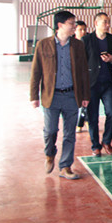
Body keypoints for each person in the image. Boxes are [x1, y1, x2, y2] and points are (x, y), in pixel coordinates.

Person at [30, 10, 90, 180]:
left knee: (70, 134)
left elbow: (83, 71)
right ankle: (50, 154)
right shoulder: (43, 45)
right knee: (50, 131)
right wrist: (34, 96)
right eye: (71, 23)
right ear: (60, 25)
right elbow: (36, 71)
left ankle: (65, 166)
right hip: (52, 96)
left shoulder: (78, 45)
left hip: (71, 95)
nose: (74, 26)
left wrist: (85, 95)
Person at [82, 12, 112, 156]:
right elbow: (82, 62)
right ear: (96, 23)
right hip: (92, 84)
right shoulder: (86, 40)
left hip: (108, 83)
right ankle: (95, 145)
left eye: (108, 22)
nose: (107, 25)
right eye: (105, 22)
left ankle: (107, 141)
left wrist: (111, 59)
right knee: (93, 117)